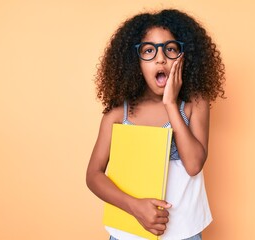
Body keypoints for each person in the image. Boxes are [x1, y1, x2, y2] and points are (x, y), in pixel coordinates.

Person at [86, 9, 225, 240]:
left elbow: (193, 165)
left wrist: (170, 103)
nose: (161, 58)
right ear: (135, 62)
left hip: (184, 232)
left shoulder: (194, 104)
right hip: (128, 233)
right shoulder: (119, 115)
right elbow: (93, 175)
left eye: (170, 49)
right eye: (149, 51)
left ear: (183, 56)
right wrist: (134, 207)